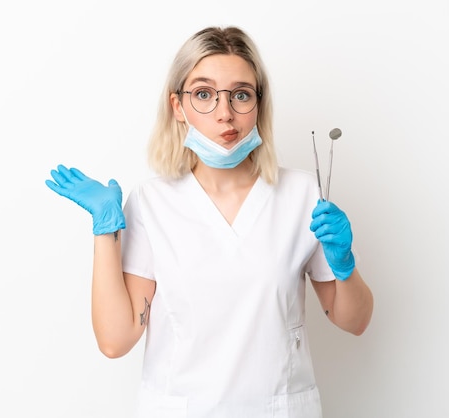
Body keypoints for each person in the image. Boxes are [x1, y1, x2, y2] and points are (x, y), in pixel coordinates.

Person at [46, 25, 373, 418]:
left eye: (240, 95)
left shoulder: (302, 194)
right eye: (203, 94)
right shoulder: (152, 202)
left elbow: (355, 321)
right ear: (178, 106)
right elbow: (116, 341)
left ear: (259, 103)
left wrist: (344, 263)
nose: (225, 113)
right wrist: (105, 231)